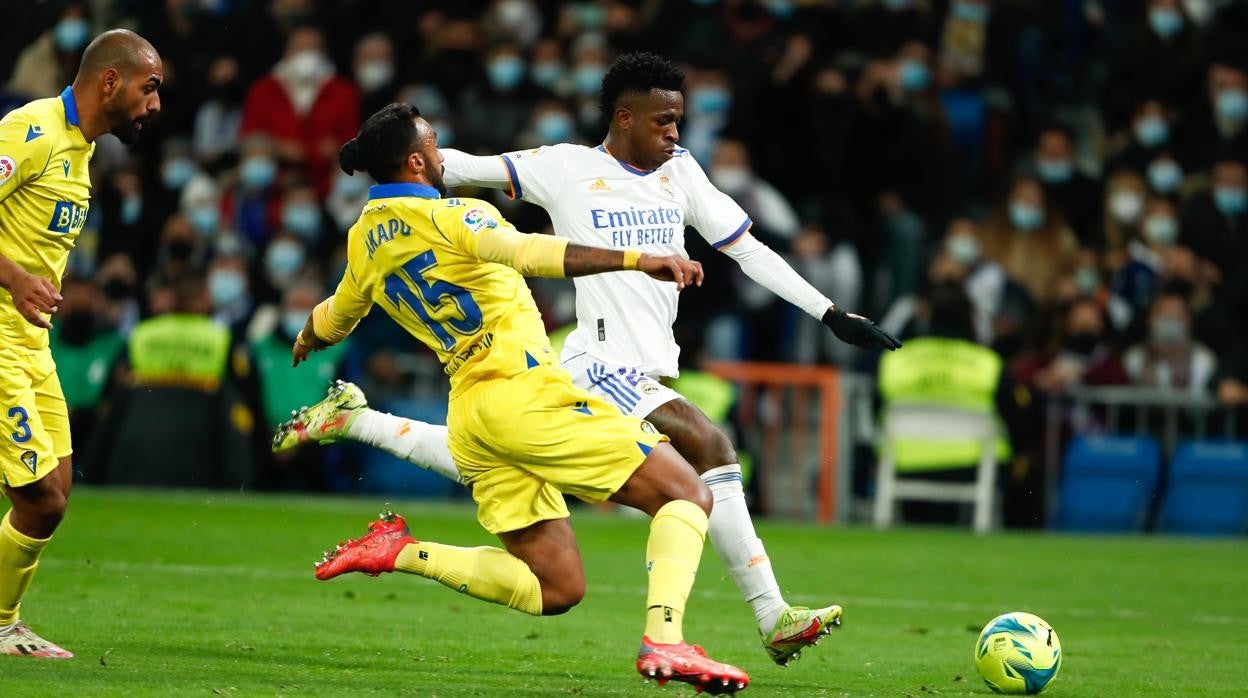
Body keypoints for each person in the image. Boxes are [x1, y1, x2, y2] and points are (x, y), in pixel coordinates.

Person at [275, 52, 899, 666]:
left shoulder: (679, 173)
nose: (676, 133)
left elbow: (748, 249)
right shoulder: (561, 169)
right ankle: (750, 619)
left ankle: (360, 431)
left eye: (678, 120)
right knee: (703, 458)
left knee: (551, 573)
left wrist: (827, 312)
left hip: (510, 389)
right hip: (592, 361)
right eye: (664, 121)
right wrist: (402, 163)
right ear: (624, 117)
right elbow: (479, 192)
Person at [298, 103, 749, 692]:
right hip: (524, 395)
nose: (442, 154)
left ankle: (400, 551)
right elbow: (530, 253)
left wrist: (308, 335)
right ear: (415, 161)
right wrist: (641, 259)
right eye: (435, 145)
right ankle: (666, 640)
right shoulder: (457, 215)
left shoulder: (364, 241)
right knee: (685, 490)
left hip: (472, 415)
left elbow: (336, 316)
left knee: (554, 587)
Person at [0, 29, 162, 659]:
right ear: (110, 82)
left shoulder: (82, 150)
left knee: (56, 494)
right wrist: (14, 278)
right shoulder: (32, 130)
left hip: (29, 345)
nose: (155, 106)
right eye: (150, 89)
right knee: (37, 499)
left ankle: (6, 624)